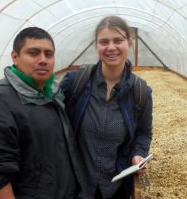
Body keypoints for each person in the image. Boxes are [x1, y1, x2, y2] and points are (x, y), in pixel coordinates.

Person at [0, 27, 80, 199]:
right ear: (15, 57)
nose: (43, 60)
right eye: (33, 53)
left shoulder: (52, 94)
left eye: (49, 54)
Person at [60, 16, 153, 199]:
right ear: (97, 45)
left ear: (130, 43)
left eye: (118, 40)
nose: (111, 47)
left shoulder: (140, 91)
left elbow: (144, 133)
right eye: (104, 42)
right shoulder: (75, 83)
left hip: (115, 186)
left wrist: (138, 155)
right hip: (76, 185)